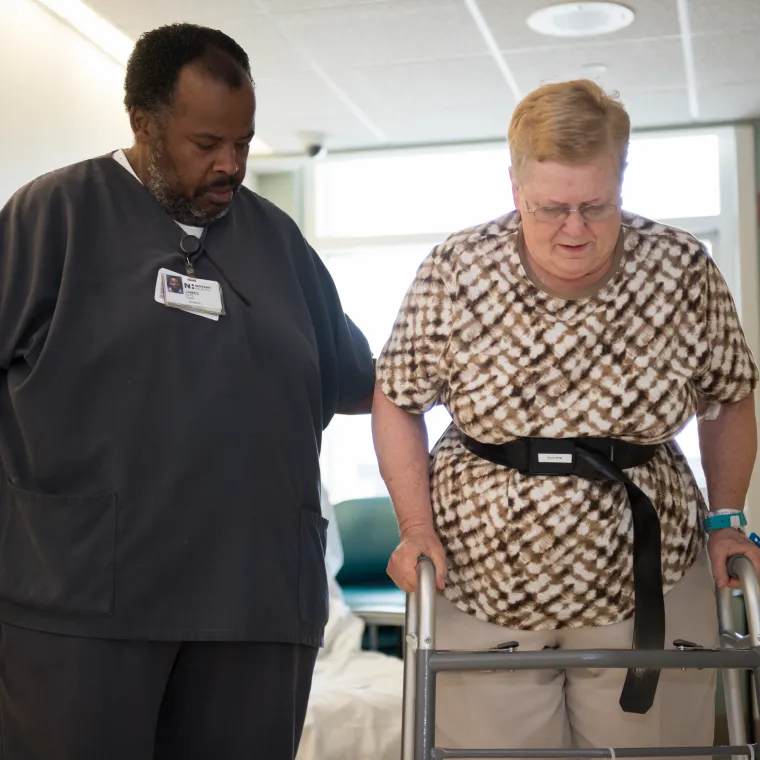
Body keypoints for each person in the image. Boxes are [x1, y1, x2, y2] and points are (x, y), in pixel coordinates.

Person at [0, 22, 374, 760]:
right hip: (88, 605)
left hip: (258, 605)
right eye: (207, 145)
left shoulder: (278, 244)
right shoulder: (55, 218)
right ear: (144, 125)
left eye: (243, 142)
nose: (230, 164)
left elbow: (366, 382)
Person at [372, 79, 760, 754]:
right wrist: (413, 528)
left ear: (622, 179)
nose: (575, 229)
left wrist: (727, 517)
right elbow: (396, 399)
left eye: (596, 206)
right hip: (479, 576)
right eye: (553, 208)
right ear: (516, 187)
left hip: (651, 577)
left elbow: (727, 396)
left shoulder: (680, 266)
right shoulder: (457, 269)